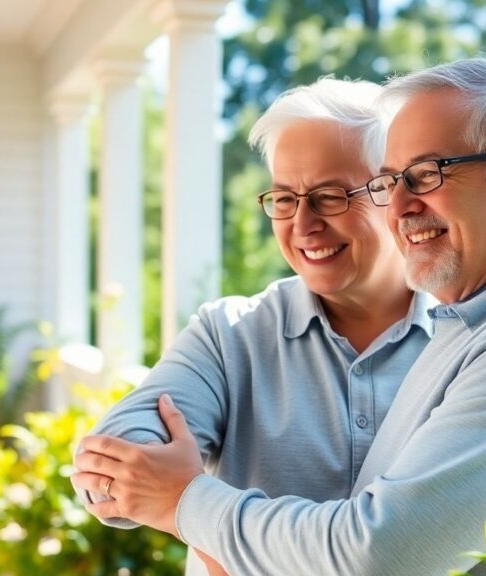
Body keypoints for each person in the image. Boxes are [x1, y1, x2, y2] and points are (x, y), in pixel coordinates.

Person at [72, 56, 486, 575]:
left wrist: (188, 503)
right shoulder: (469, 324)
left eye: (426, 174)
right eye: (393, 182)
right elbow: (115, 470)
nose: (404, 204)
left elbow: (376, 553)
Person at [71, 78, 436, 575]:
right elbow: (107, 470)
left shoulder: (465, 339)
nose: (302, 224)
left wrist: (185, 501)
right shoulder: (228, 335)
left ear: (391, 191)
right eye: (284, 199)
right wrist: (153, 483)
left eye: (329, 197)